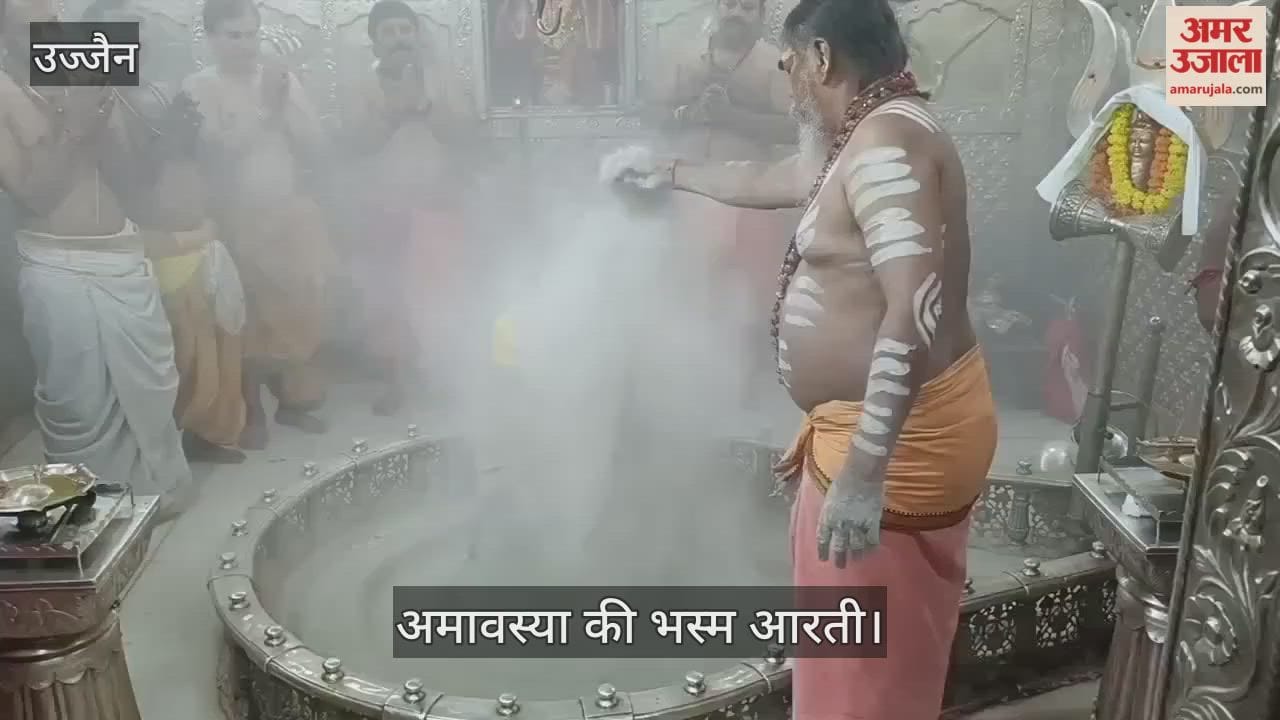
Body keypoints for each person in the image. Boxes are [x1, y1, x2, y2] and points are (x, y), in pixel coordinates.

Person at [601, 0, 997, 716]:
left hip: (893, 447)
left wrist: (863, 474)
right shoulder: (862, 135)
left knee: (863, 663)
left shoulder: (886, 149)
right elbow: (777, 179)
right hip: (871, 431)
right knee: (864, 652)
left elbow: (915, 310)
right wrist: (669, 170)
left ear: (821, 59)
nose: (786, 82)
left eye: (788, 65)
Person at [0, 0, 192, 514]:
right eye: (28, 28)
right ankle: (96, 513)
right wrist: (75, 129)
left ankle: (158, 493)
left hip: (122, 255)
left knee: (150, 390)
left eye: (54, 23)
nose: (46, 35)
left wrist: (117, 115)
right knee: (79, 404)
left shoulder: (79, 69)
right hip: (58, 267)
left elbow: (129, 177)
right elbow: (31, 193)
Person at [185, 0, 335, 448]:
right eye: (234, 35)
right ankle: (251, 411)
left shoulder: (277, 81)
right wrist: (265, 110)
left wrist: (285, 103)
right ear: (210, 38)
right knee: (245, 319)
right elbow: (215, 154)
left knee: (303, 309)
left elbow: (316, 145)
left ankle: (294, 403)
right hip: (236, 219)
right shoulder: (199, 86)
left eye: (252, 34)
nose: (246, 45)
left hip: (290, 216)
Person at [648, 0, 796, 407]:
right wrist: (690, 113)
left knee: (754, 295)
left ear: (762, 14)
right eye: (730, 3)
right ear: (717, 6)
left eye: (748, 6)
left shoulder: (777, 65)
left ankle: (751, 390)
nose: (737, 12)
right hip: (691, 195)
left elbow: (796, 127)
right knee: (691, 290)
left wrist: (734, 118)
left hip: (753, 197)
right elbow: (653, 115)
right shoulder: (684, 57)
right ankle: (691, 384)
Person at [340, 0, 468, 414]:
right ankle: (396, 381)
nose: (400, 39)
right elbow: (357, 144)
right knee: (389, 298)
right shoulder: (362, 86)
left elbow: (466, 135)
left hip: (439, 203)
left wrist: (427, 107)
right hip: (386, 205)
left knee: (442, 297)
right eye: (390, 32)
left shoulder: (443, 80)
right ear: (375, 40)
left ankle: (444, 375)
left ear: (417, 35)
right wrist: (394, 113)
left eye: (405, 30)